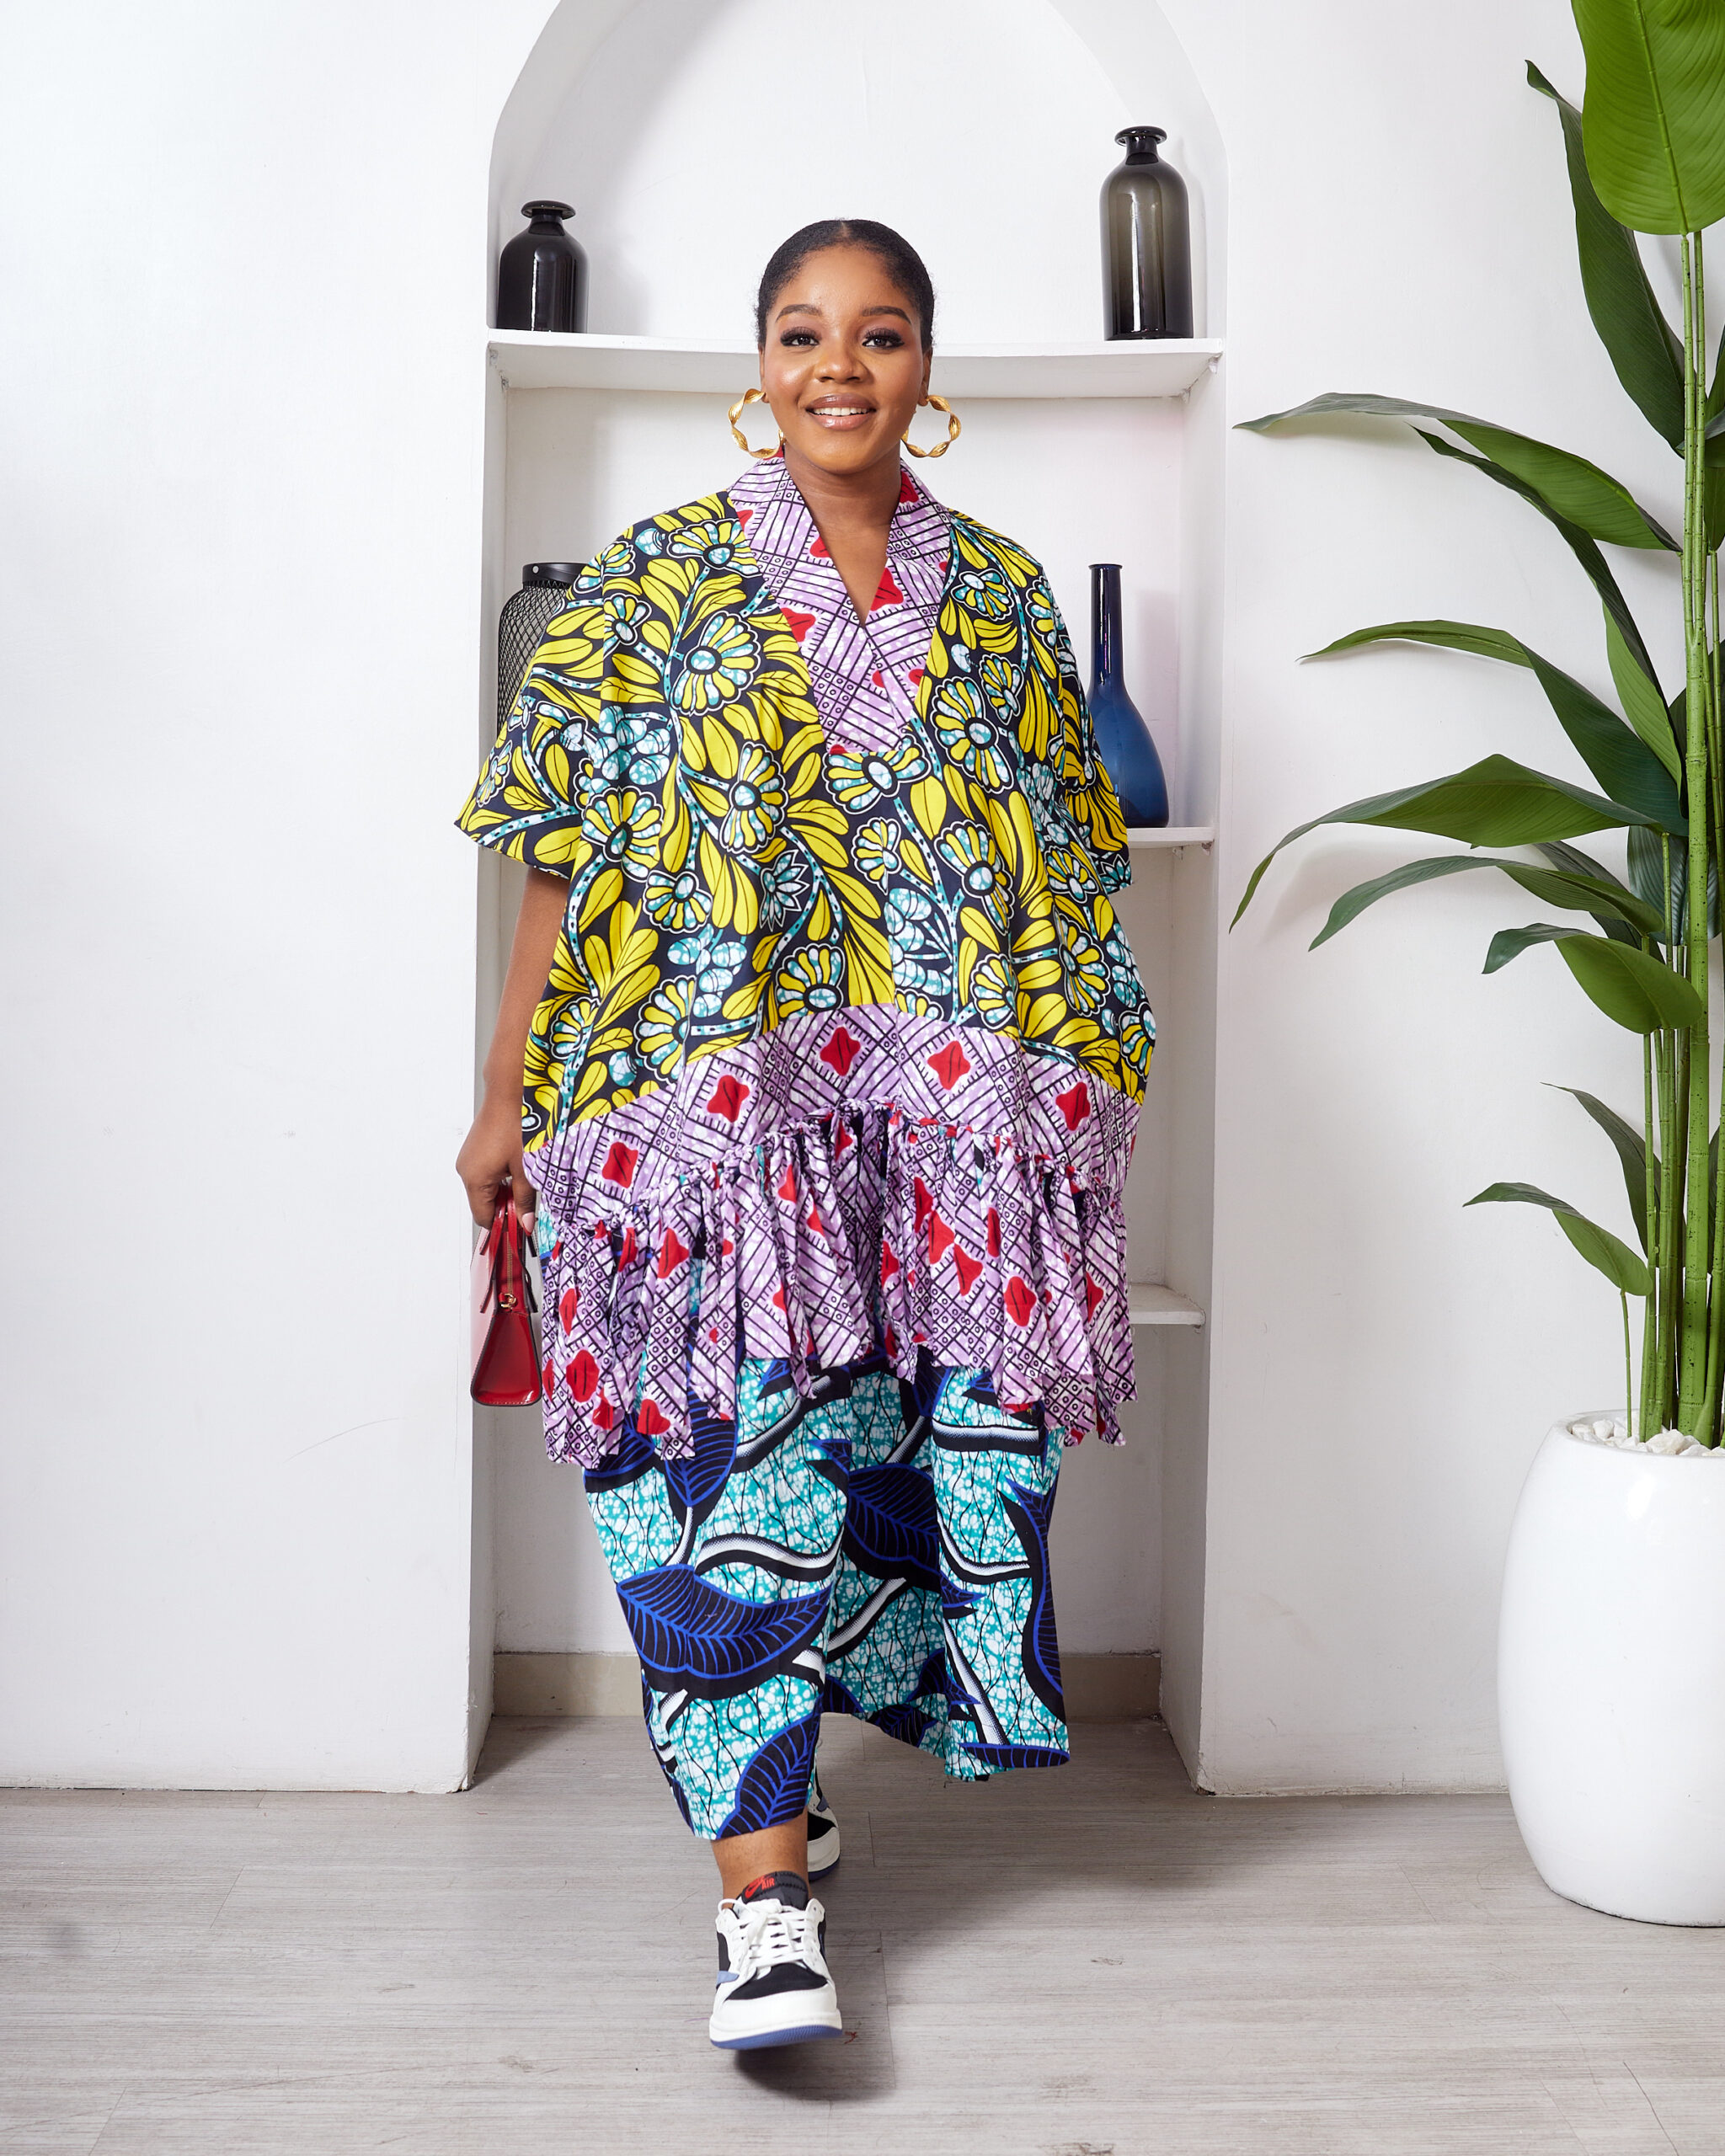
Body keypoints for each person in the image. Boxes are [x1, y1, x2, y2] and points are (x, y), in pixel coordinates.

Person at [456, 218, 1154, 2052]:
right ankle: (763, 1904)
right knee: (719, 1476)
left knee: (886, 1459)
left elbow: (1067, 862)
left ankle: (787, 1792)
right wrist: (506, 1091)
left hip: (941, 1140)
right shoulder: (651, 578)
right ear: (756, 364)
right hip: (702, 1131)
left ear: (927, 369)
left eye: (881, 331)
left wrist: (1076, 1101)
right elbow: (558, 856)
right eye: (802, 329)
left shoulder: (997, 596)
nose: (839, 363)